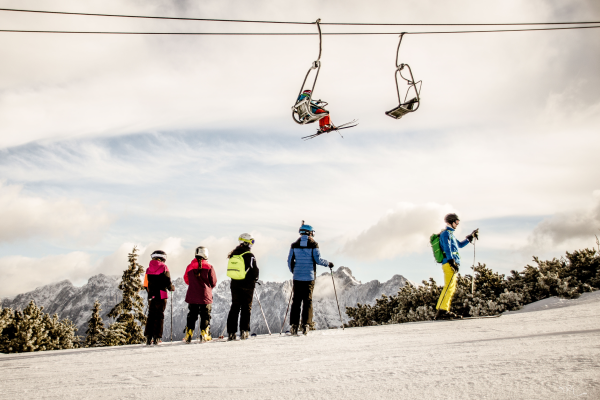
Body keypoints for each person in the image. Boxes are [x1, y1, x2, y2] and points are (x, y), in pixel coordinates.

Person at [287, 222, 333, 335]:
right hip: (309, 277)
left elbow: (289, 261)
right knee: (307, 301)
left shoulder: (294, 245)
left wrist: (294, 271)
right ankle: (306, 325)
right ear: (309, 233)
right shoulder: (314, 245)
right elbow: (318, 260)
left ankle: (294, 325)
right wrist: (328, 264)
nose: (312, 235)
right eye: (312, 233)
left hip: (297, 277)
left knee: (296, 301)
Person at [434, 214, 479, 320]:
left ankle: (441, 310)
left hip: (451, 263)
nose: (457, 224)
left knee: (450, 287)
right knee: (449, 287)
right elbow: (447, 247)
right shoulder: (446, 234)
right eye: (456, 222)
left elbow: (459, 245)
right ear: (451, 222)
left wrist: (470, 238)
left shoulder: (451, 234)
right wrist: (451, 261)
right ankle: (443, 311)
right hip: (449, 263)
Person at [226, 233, 259, 341]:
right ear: (247, 242)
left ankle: (231, 332)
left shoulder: (233, 254)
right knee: (246, 307)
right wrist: (255, 278)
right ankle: (244, 330)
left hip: (235, 284)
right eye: (251, 242)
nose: (252, 245)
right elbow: (254, 271)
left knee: (235, 307)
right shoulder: (249, 255)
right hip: (247, 285)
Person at [183, 246, 217, 343]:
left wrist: (194, 285)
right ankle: (204, 333)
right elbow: (213, 282)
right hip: (205, 295)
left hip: (192, 295)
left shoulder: (189, 267)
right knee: (205, 315)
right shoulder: (209, 267)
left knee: (192, 315)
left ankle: (189, 334)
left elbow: (186, 280)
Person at [143, 250, 175, 345]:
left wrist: (150, 292)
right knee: (159, 315)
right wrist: (171, 288)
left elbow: (145, 284)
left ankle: (148, 337)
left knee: (151, 315)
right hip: (161, 294)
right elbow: (167, 282)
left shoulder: (148, 269)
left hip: (151, 295)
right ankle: (157, 337)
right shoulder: (164, 267)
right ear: (163, 258)